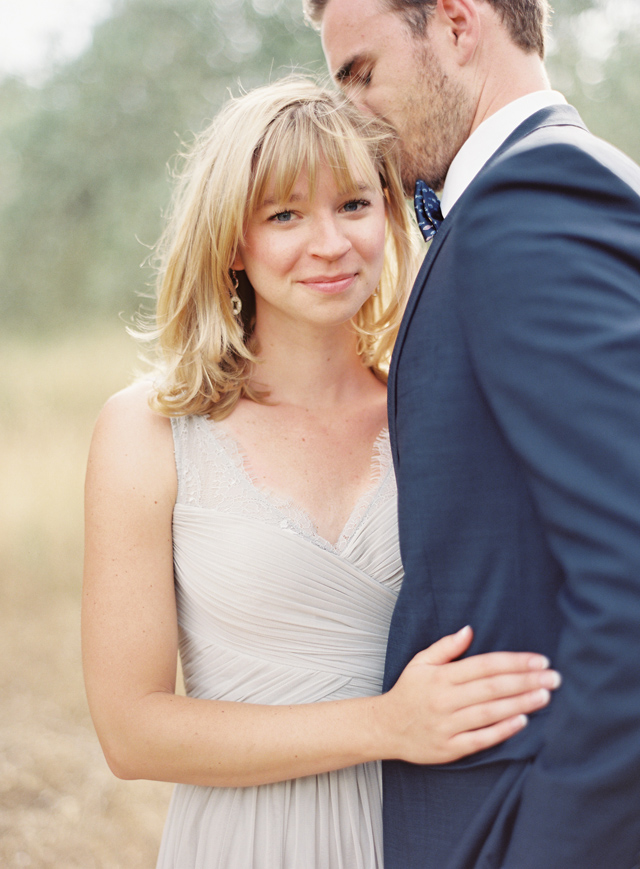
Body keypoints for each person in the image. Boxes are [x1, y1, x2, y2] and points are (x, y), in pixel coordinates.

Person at [81, 78, 560, 869]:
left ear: (390, 213)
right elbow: (131, 732)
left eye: (353, 204)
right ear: (233, 243)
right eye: (284, 215)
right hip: (244, 843)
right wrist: (385, 723)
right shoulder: (147, 431)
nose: (331, 243)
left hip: (434, 830)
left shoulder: (446, 415)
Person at [308, 0, 640, 866]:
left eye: (363, 74)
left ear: (457, 25)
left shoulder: (525, 207)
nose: (349, 115)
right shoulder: (553, 186)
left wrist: (553, 844)